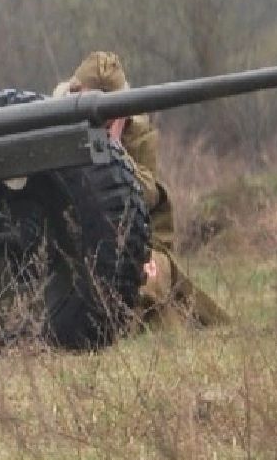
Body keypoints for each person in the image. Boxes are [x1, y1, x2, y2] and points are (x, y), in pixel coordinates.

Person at [58, 51, 229, 327]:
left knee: (149, 281)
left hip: (136, 245)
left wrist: (114, 151)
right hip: (75, 250)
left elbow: (146, 194)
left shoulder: (137, 135)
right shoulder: (55, 133)